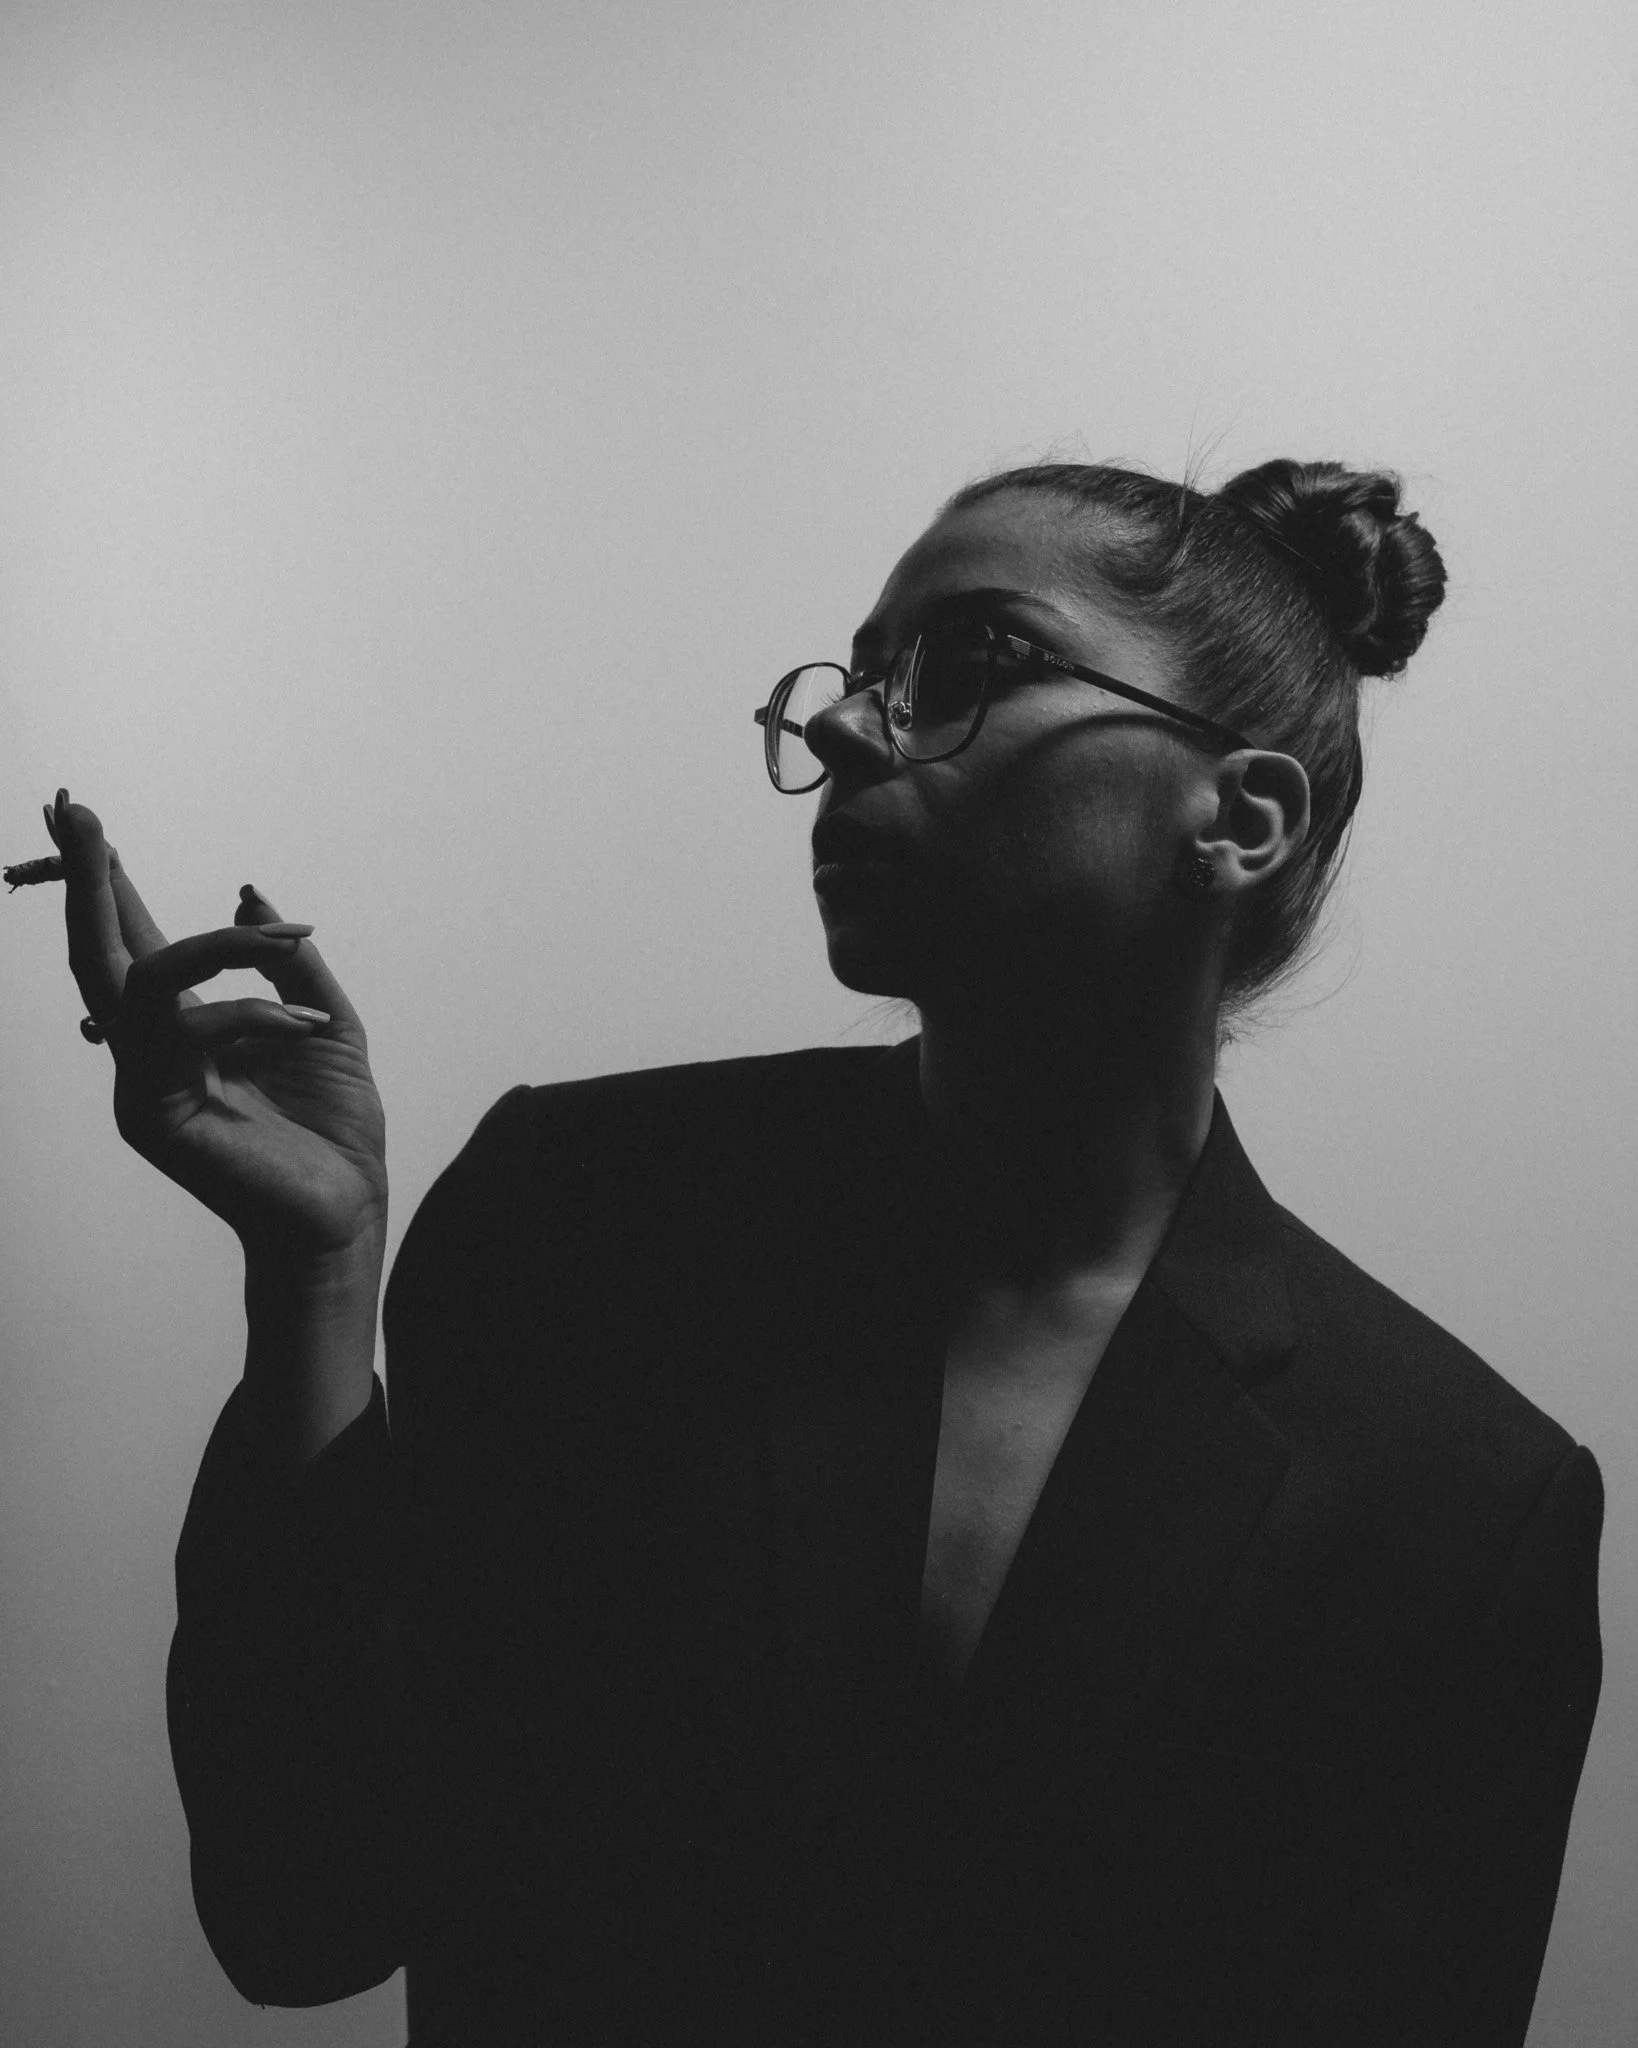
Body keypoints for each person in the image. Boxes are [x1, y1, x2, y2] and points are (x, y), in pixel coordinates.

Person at [50, 457, 1602, 2046]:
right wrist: (315, 1274)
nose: (848, 727)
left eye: (972, 662)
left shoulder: (1458, 1503)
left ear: (1240, 817)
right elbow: (305, 1906)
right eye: (861, 674)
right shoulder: (585, 1219)